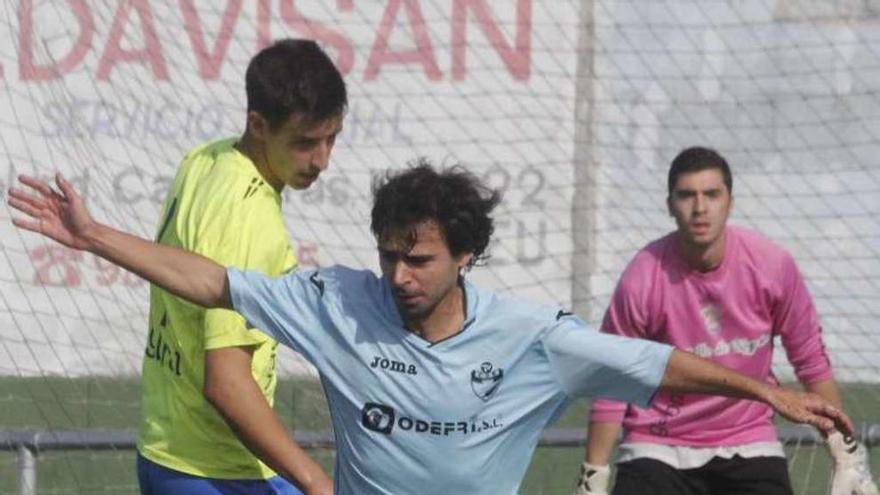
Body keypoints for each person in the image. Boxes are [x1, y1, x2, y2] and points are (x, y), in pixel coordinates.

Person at [9, 160, 853, 495]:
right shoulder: (340, 303)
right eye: (388, 256)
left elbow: (658, 363)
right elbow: (212, 280)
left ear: (465, 256)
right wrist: (94, 238)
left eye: (418, 261)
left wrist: (769, 390)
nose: (398, 277)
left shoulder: (531, 337)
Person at [572, 146, 878, 495]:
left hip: (748, 442)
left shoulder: (772, 265)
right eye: (687, 195)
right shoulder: (642, 276)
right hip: (656, 446)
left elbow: (811, 362)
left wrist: (846, 453)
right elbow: (615, 378)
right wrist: (592, 477)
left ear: (730, 202)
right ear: (670, 204)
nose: (700, 208)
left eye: (712, 194)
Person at [124, 38, 344, 494]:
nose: (322, 160)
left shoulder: (207, 160)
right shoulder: (251, 222)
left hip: (165, 452)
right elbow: (226, 383)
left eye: (331, 138)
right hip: (220, 472)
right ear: (258, 126)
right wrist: (316, 482)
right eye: (305, 143)